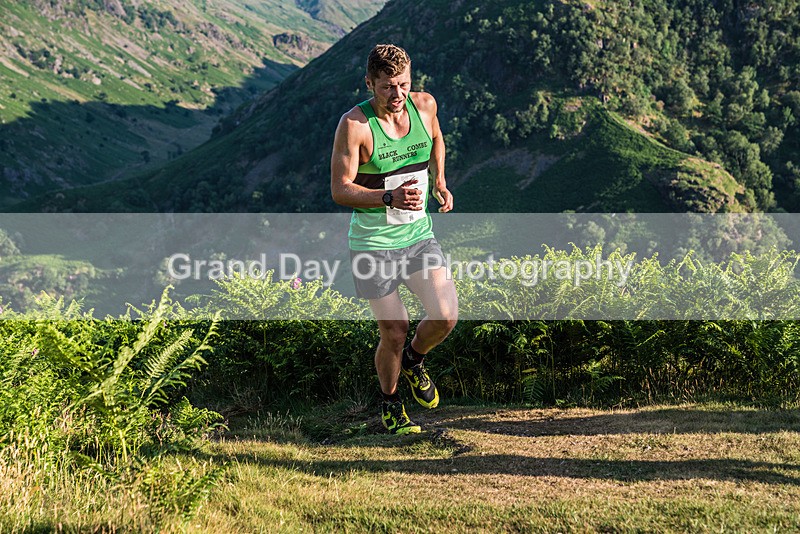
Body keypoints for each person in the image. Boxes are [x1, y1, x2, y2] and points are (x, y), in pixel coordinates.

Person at [330, 44, 458, 435]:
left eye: (403, 84)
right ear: (369, 83)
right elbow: (339, 190)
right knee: (395, 329)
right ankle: (391, 403)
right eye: (387, 87)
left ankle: (415, 361)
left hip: (418, 237)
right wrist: (388, 197)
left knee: (445, 315)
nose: (397, 95)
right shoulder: (355, 126)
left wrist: (439, 180)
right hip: (372, 245)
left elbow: (436, 139)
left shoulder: (424, 106)